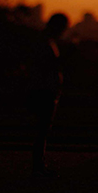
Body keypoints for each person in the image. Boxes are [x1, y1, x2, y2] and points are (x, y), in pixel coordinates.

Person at [28, 12, 69, 178]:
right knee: (42, 129)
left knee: (42, 129)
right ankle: (38, 166)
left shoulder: (46, 41)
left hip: (47, 90)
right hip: (45, 91)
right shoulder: (45, 42)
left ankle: (39, 164)